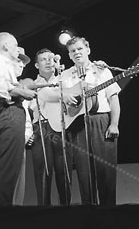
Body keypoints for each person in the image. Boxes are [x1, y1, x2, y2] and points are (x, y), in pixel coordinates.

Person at [61, 36, 121, 206]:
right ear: (69, 56)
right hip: (77, 124)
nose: (76, 53)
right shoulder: (65, 76)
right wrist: (66, 97)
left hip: (101, 120)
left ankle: (109, 212)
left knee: (105, 171)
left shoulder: (102, 70)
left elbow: (114, 99)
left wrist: (114, 123)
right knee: (84, 172)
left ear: (88, 50)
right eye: (73, 51)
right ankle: (89, 213)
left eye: (80, 49)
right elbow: (59, 100)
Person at [0, 32, 37, 206]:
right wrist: (23, 92)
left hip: (10, 113)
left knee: (10, 168)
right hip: (9, 112)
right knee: (7, 168)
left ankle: (2, 209)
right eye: (14, 45)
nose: (16, 49)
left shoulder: (3, 65)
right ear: (6, 46)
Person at [28, 48, 73, 206]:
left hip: (62, 128)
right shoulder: (34, 85)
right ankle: (44, 213)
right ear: (36, 65)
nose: (48, 62)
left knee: (65, 173)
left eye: (51, 58)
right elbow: (43, 96)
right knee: (43, 174)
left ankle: (66, 210)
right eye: (43, 59)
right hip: (42, 129)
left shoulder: (64, 80)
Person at [11, 47, 33, 206]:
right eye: (17, 60)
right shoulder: (0, 84)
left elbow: (29, 115)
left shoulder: (25, 88)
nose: (21, 65)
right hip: (5, 141)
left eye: (23, 62)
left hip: (21, 142)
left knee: (19, 185)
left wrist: (29, 134)